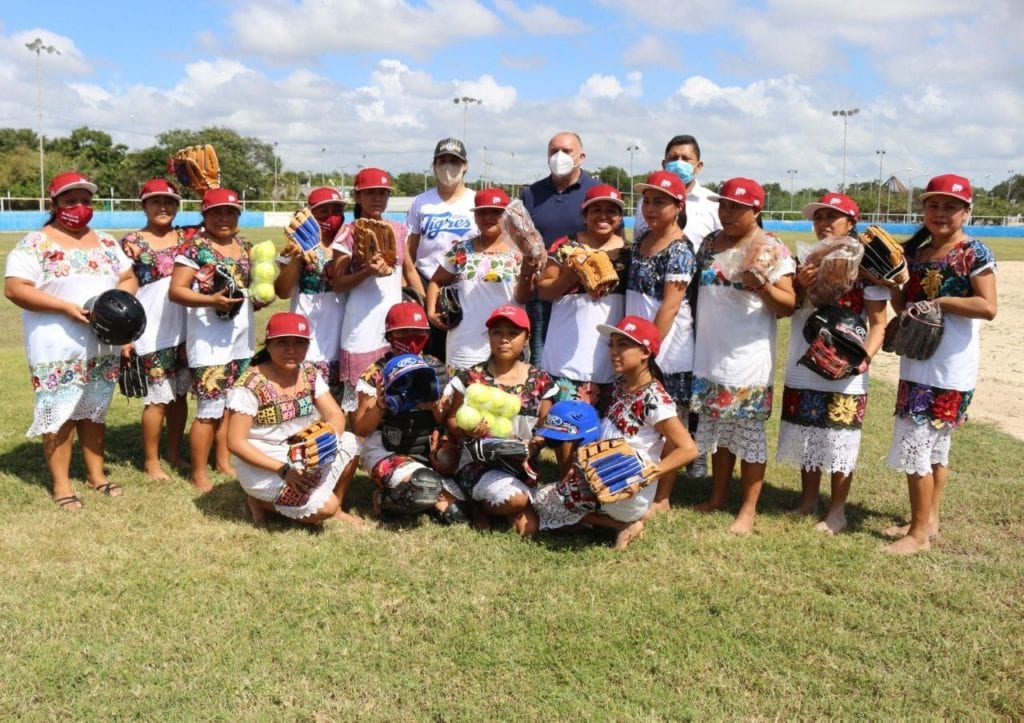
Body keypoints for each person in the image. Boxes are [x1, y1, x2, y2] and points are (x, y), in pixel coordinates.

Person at [4, 171, 136, 509]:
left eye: (85, 201)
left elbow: (127, 276)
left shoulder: (106, 242)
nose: (79, 207)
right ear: (55, 203)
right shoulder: (36, 242)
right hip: (56, 346)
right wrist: (64, 308)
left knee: (94, 411)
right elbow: (15, 288)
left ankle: (97, 476)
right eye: (70, 200)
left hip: (101, 344)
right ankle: (62, 485)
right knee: (60, 413)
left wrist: (118, 308)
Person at [883, 174, 997, 555]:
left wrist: (942, 303)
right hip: (918, 360)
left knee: (919, 445)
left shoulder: (974, 252)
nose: (940, 212)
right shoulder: (915, 253)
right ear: (923, 209)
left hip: (950, 366)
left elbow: (988, 307)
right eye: (933, 204)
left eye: (951, 206)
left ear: (967, 211)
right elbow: (903, 306)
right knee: (933, 450)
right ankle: (927, 521)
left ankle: (917, 536)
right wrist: (893, 283)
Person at [775, 193, 889, 534]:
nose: (824, 222)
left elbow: (879, 323)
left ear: (851, 223)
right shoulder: (803, 258)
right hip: (804, 357)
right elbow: (788, 308)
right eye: (819, 216)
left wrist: (864, 359)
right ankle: (808, 502)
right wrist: (799, 283)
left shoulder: (867, 266)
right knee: (809, 434)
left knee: (840, 439)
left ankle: (837, 511)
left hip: (846, 364)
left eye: (833, 217)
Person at [690, 178, 796, 534]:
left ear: (757, 210)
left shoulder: (771, 248)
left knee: (748, 435)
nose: (728, 212)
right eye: (724, 205)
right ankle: (718, 497)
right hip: (709, 353)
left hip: (747, 357)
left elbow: (788, 305)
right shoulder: (710, 242)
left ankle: (748, 511)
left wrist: (762, 285)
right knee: (720, 430)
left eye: (737, 207)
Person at [226, 312, 362, 527]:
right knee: (325, 507)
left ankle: (337, 506)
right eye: (282, 343)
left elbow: (335, 415)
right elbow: (235, 443)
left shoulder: (308, 372)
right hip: (265, 463)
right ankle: (260, 501)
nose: (292, 350)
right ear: (268, 344)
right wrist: (284, 469)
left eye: (300, 343)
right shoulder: (249, 385)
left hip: (303, 453)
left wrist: (321, 443)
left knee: (350, 441)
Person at [169, 187, 256, 492]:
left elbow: (248, 288)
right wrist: (211, 302)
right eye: (216, 212)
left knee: (232, 406)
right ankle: (199, 474)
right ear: (204, 215)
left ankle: (223, 461)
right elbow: (176, 291)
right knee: (208, 409)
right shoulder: (194, 248)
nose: (224, 217)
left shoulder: (245, 245)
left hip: (241, 339)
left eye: (230, 212)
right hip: (207, 340)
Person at [351, 301, 468, 523]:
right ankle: (386, 497)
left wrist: (434, 407)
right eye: (402, 332)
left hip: (426, 447)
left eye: (418, 332)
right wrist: (381, 405)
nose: (411, 338)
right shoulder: (375, 372)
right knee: (424, 488)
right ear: (389, 336)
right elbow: (361, 428)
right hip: (386, 448)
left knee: (457, 514)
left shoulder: (436, 366)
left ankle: (421, 492)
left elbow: (444, 419)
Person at [585, 317, 696, 548]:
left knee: (549, 507)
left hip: (626, 489)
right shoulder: (621, 385)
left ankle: (623, 523)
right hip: (606, 478)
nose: (614, 351)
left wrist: (645, 475)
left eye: (623, 345)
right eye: (612, 344)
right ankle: (611, 520)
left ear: (645, 352)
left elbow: (688, 449)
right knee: (547, 501)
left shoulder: (654, 399)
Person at [446, 304, 557, 533]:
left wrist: (535, 445)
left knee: (529, 529)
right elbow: (451, 421)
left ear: (526, 338)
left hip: (522, 466)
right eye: (497, 332)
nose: (504, 339)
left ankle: (500, 503)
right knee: (516, 501)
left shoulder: (541, 381)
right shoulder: (470, 377)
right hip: (478, 465)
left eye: (512, 333)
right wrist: (468, 431)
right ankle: (479, 506)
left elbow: (545, 430)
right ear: (489, 336)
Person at [626, 171, 697, 510]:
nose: (650, 208)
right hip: (637, 343)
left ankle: (664, 495)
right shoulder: (641, 239)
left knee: (670, 423)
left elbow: (670, 305)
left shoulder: (680, 250)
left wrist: (648, 347)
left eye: (660, 202)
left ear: (678, 205)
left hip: (665, 350)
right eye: (647, 201)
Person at [330, 167, 420, 411]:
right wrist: (367, 272)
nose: (377, 198)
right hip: (361, 324)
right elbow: (337, 283)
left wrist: (421, 304)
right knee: (360, 400)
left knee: (394, 391)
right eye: (370, 193)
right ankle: (358, 446)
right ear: (358, 197)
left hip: (395, 322)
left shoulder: (398, 229)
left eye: (383, 193)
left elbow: (409, 270)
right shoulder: (348, 232)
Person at [119, 179, 190, 480]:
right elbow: (124, 287)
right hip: (151, 329)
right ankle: (151, 461)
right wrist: (125, 336)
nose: (163, 207)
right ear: (144, 205)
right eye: (155, 201)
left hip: (187, 327)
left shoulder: (190, 236)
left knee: (180, 395)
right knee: (157, 399)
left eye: (170, 201)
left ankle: (174, 452)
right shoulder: (132, 241)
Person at [537, 184, 629, 411]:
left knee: (601, 433)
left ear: (619, 217)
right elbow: (543, 291)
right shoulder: (565, 246)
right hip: (566, 352)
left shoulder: (630, 252)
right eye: (596, 209)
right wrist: (569, 277)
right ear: (585, 215)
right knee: (562, 428)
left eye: (611, 210)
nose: (603, 216)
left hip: (610, 354)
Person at [425, 188, 537, 370]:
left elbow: (523, 298)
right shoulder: (460, 250)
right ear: (475, 217)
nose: (488, 217)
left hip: (507, 341)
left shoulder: (521, 251)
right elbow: (436, 281)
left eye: (495, 212)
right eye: (482, 212)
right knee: (462, 395)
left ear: (507, 216)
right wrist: (431, 312)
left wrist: (527, 273)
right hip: (464, 343)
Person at [521, 131, 600, 364]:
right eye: (554, 151)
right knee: (542, 362)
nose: (559, 156)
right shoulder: (531, 194)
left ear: (581, 157)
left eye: (566, 151)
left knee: (582, 361)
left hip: (584, 297)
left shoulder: (595, 193)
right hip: (543, 297)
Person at [406, 138, 478, 359]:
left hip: (466, 285)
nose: (448, 166)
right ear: (434, 165)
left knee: (465, 349)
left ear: (465, 165)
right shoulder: (422, 202)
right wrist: (420, 293)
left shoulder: (475, 201)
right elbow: (409, 252)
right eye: (443, 160)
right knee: (432, 354)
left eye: (454, 161)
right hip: (427, 281)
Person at [275, 186, 348, 398]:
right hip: (310, 339)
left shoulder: (348, 243)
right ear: (310, 214)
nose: (331, 216)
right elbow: (282, 291)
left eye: (337, 210)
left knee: (336, 402)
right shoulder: (294, 246)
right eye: (324, 210)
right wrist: (298, 258)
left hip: (340, 338)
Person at [633, 134, 721, 250]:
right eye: (673, 158)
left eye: (686, 159)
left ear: (698, 166)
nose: (679, 164)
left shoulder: (714, 203)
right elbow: (638, 240)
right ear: (664, 164)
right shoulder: (646, 203)